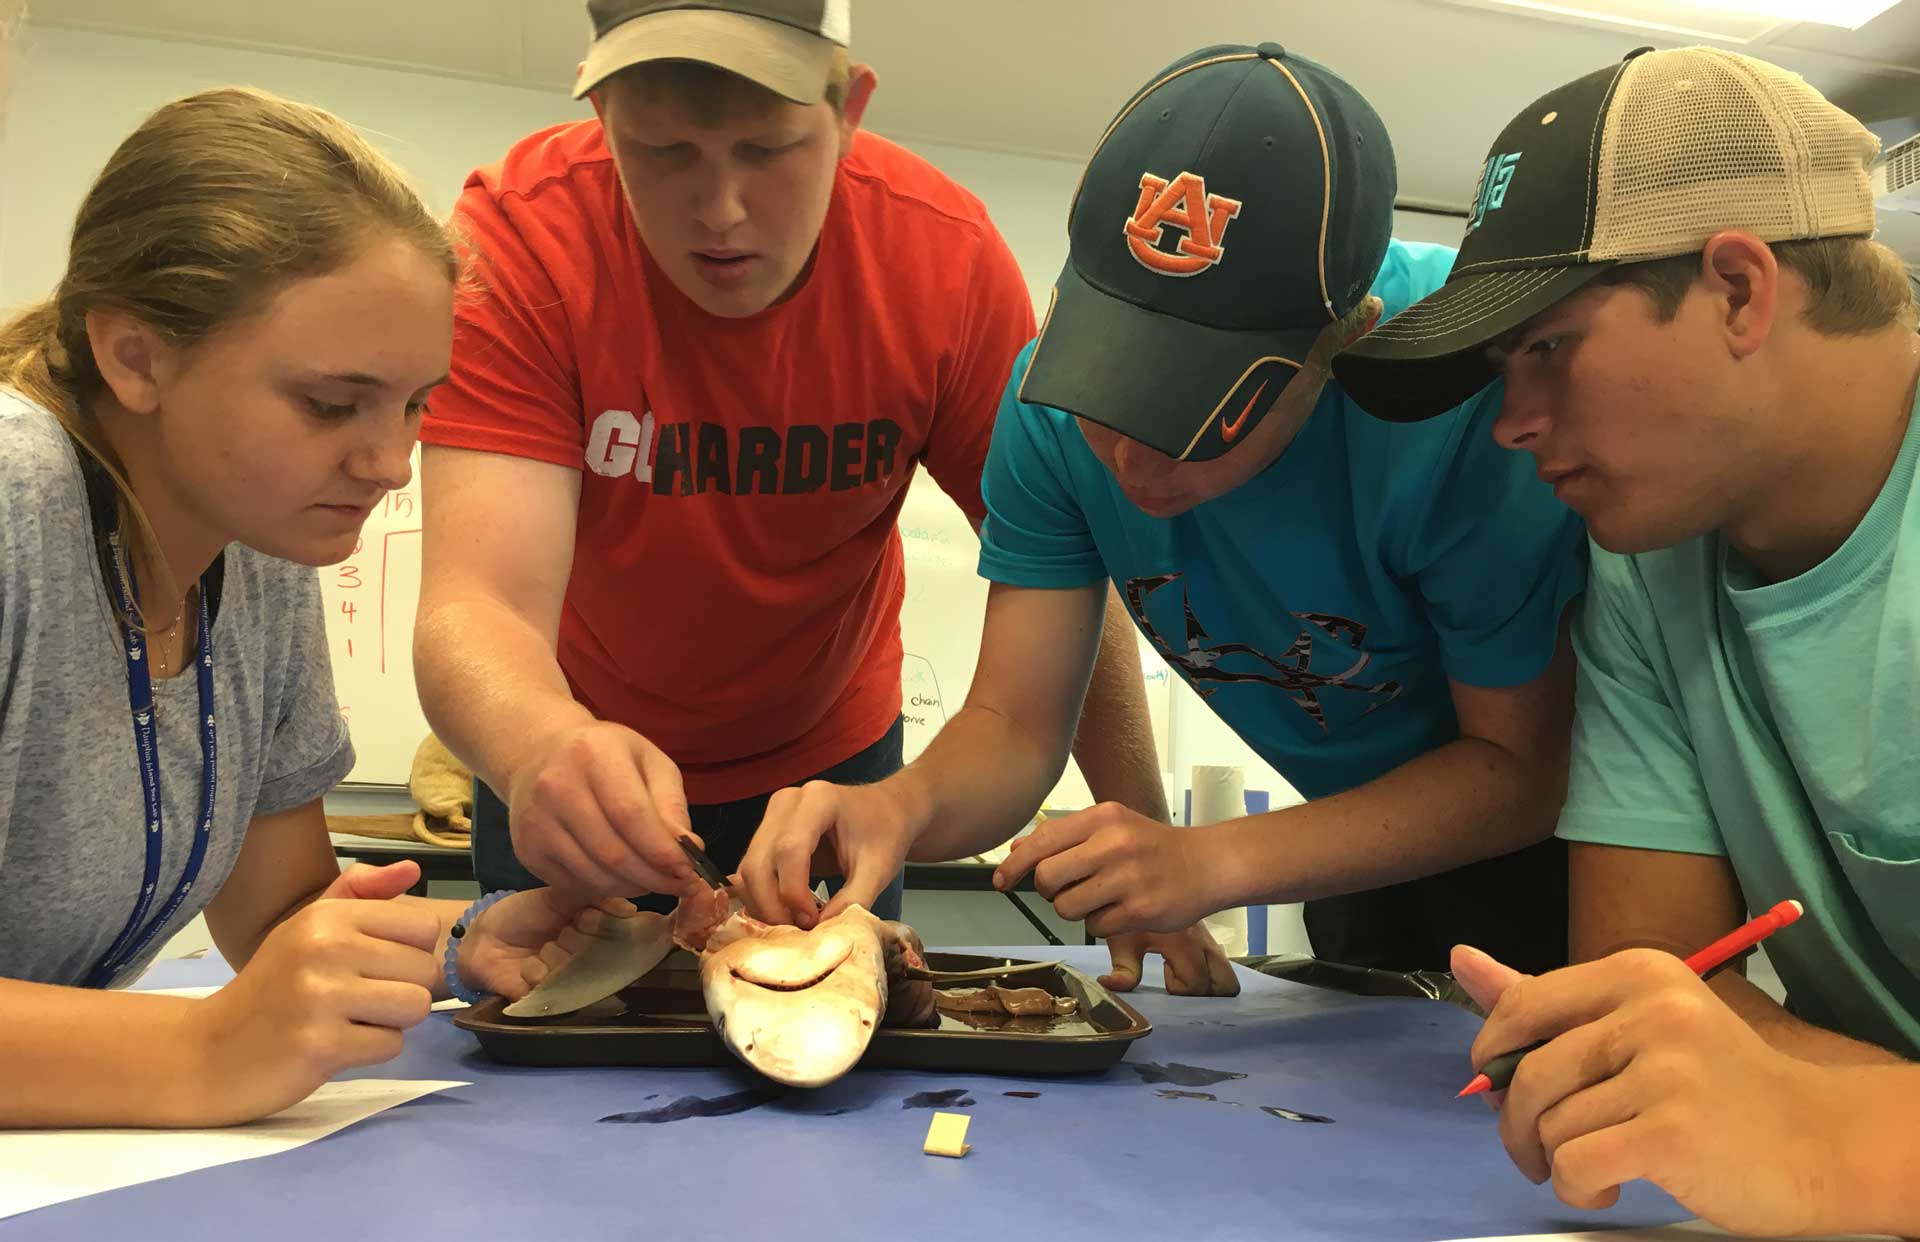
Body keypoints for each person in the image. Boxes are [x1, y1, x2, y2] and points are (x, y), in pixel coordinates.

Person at [739, 43, 1587, 989]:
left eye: (1197, 414)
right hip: (1358, 839)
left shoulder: (1466, 405)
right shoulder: (1049, 414)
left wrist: (1210, 863)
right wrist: (900, 808)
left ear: (1352, 339)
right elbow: (1016, 726)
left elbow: (1521, 771)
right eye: (1113, 397)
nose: (1134, 461)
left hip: (1582, 852)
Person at [413, 0, 1166, 930]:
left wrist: (1144, 842)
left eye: (768, 150)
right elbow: (474, 603)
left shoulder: (946, 263)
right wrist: (538, 746)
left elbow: (1059, 565)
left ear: (850, 108)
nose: (720, 213)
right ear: (601, 112)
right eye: (661, 151)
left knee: (846, 1050)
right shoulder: (522, 239)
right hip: (575, 756)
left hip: (833, 766)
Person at [1333, 45, 1920, 1233]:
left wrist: (1830, 1146)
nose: (1511, 426)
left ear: (1742, 290)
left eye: (1548, 348)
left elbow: (1732, 1069)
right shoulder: (1648, 562)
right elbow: (1661, 994)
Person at [0, 87, 615, 1129]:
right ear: (135, 355)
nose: (390, 462)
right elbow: (231, 1024)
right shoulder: (16, 509)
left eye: (417, 402)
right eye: (332, 405)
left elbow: (279, 919)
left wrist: (460, 945)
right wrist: (203, 1048)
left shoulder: (259, 550)